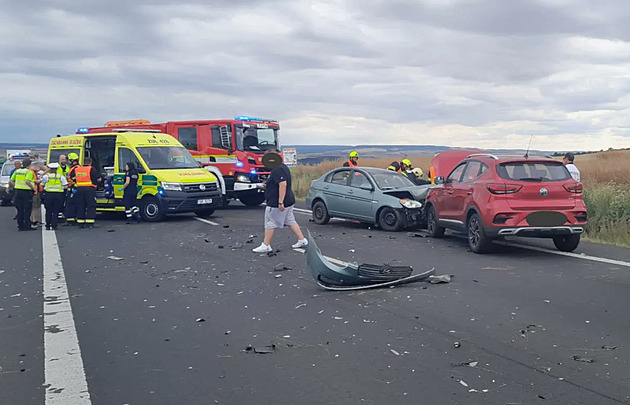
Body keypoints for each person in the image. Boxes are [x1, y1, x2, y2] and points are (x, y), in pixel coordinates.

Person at [253, 149, 308, 253]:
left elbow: (282, 184)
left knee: (270, 222)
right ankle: (302, 240)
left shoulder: (277, 169)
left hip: (277, 202)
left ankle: (266, 245)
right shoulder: (283, 167)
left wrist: (280, 202)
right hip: (289, 200)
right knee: (290, 220)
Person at [9, 158, 36, 231]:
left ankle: (20, 226)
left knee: (20, 210)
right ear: (29, 164)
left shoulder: (17, 171)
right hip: (26, 192)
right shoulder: (29, 172)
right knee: (27, 209)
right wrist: (33, 188)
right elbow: (27, 181)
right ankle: (27, 225)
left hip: (18, 192)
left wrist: (16, 185)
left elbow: (11, 180)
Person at [74, 157, 101, 228]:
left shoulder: (77, 169)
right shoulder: (91, 169)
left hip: (79, 189)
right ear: (90, 163)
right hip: (89, 189)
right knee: (91, 205)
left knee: (80, 205)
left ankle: (80, 222)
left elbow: (73, 178)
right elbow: (98, 179)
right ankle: (90, 222)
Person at [41, 163, 68, 230]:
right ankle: (54, 225)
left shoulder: (46, 176)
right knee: (56, 211)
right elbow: (65, 186)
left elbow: (42, 184)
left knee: (48, 210)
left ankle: (47, 225)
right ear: (57, 169)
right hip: (58, 195)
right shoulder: (61, 177)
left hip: (48, 194)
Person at [63, 153, 81, 226]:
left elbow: (75, 179)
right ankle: (73, 219)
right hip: (74, 188)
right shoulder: (76, 167)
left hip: (74, 188)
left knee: (71, 204)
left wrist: (73, 187)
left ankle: (71, 220)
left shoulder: (75, 169)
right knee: (73, 204)